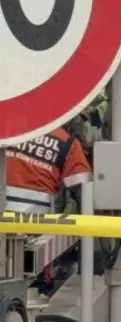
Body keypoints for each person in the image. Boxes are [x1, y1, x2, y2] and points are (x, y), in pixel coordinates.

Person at [4, 125, 93, 295]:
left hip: (6, 224)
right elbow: (84, 192)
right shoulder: (65, 142)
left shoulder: (7, 128)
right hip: (35, 230)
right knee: (31, 285)